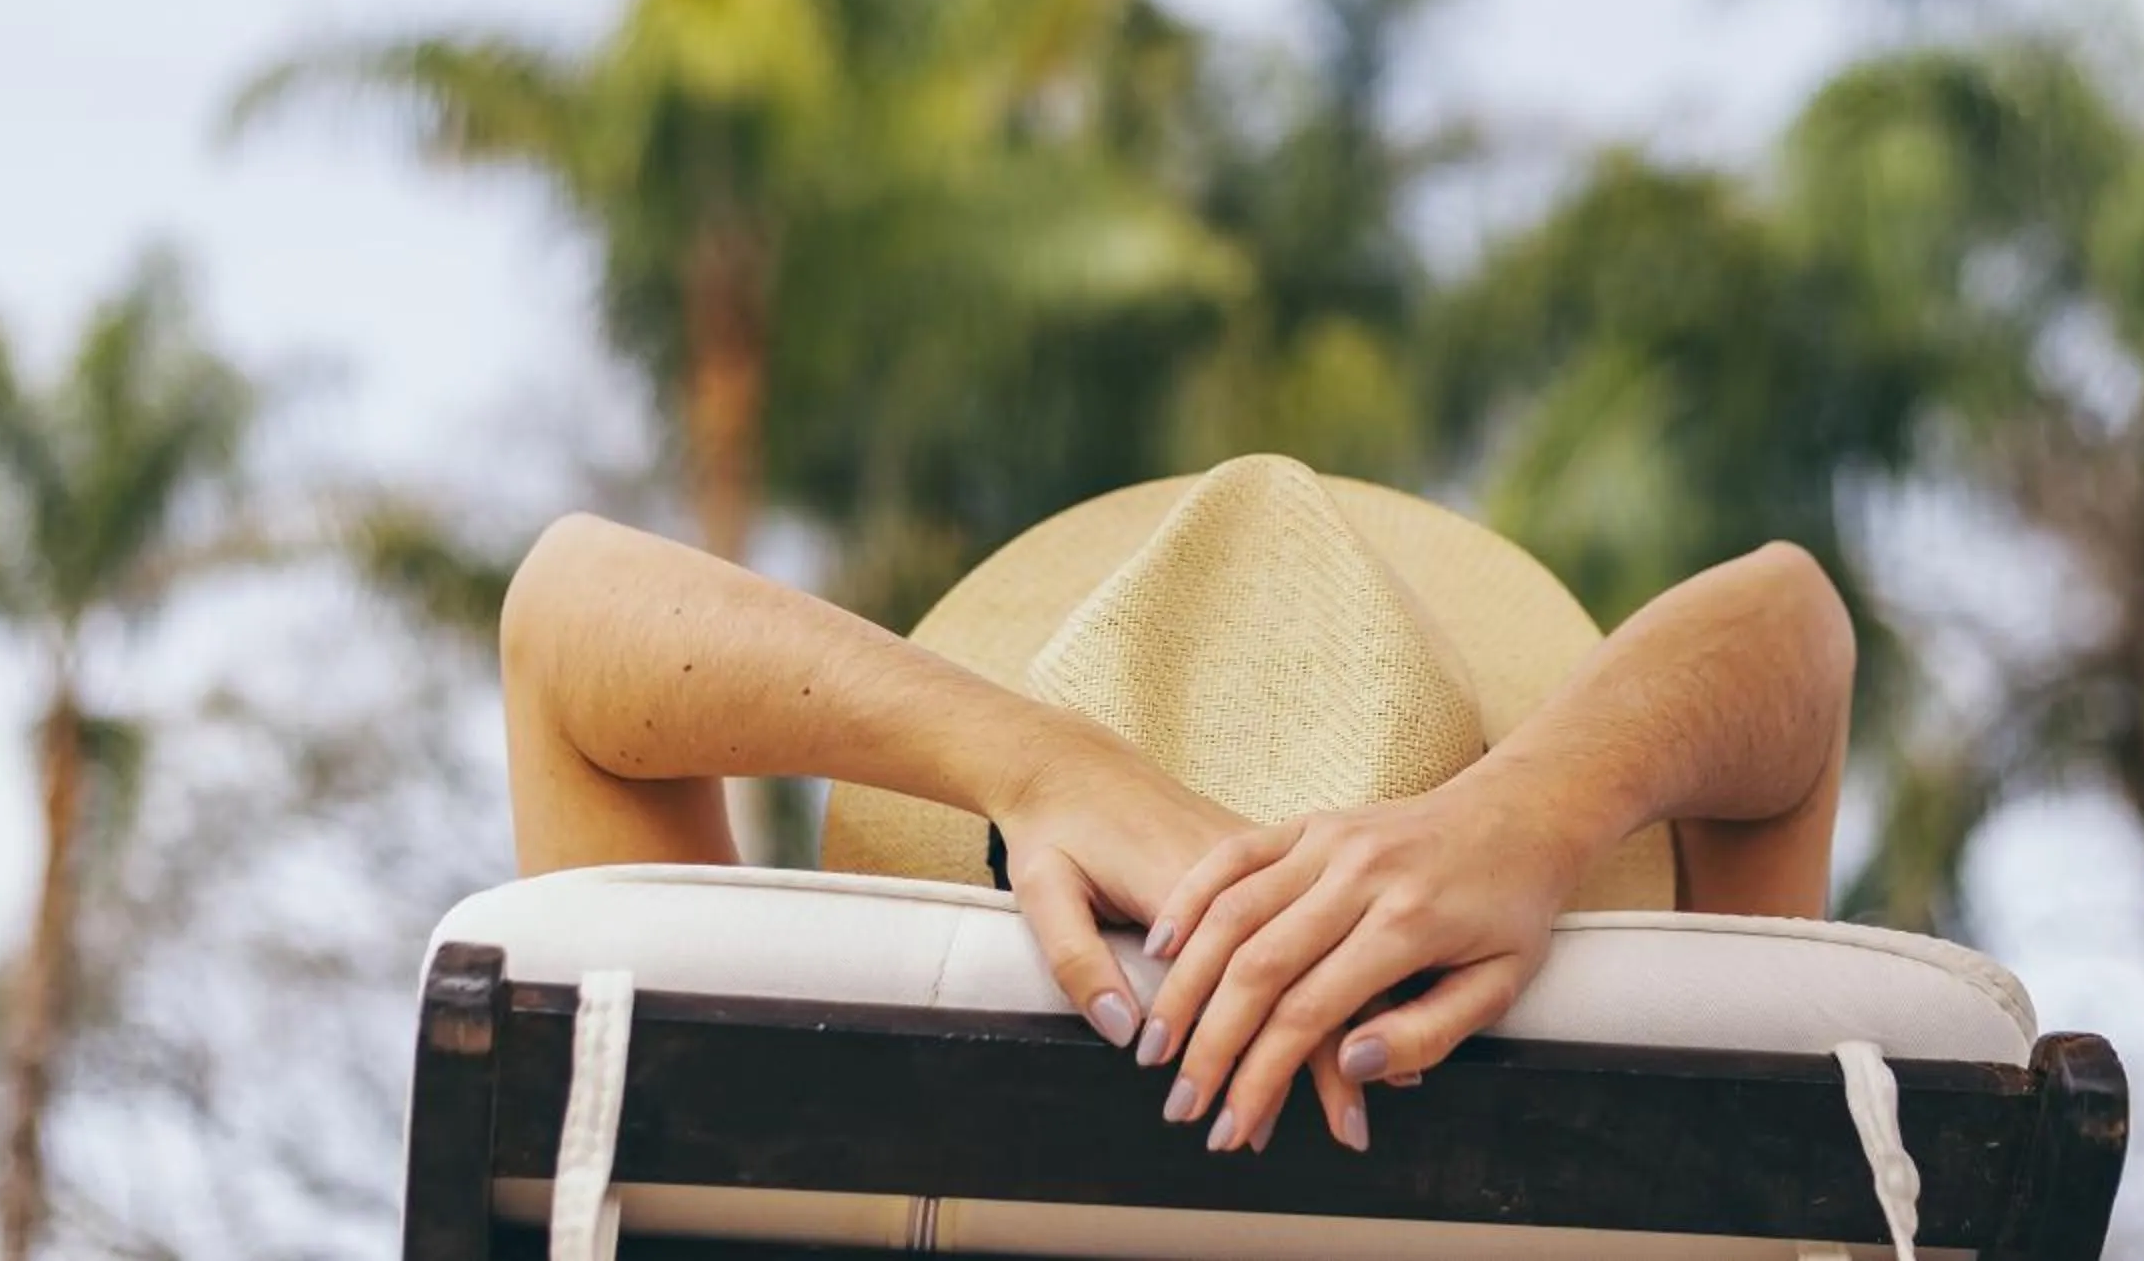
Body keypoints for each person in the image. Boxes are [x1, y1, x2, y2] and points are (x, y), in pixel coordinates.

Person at [498, 453, 1856, 1158]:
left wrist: (1036, 766)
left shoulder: (814, 1159)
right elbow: (1797, 624)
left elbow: (566, 609)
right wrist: (1527, 815)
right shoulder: (1639, 1149)